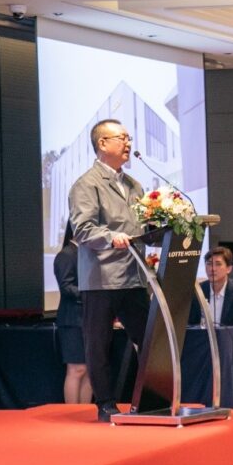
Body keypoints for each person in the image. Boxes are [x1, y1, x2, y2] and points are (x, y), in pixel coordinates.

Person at [68, 119, 149, 422]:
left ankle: (152, 398)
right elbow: (83, 229)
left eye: (129, 138)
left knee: (151, 341)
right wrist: (111, 237)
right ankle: (105, 404)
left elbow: (143, 226)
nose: (128, 143)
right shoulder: (86, 184)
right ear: (102, 143)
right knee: (99, 345)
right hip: (101, 278)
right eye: (122, 138)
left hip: (134, 276)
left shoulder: (134, 185)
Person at [188, 246, 233, 408]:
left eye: (218, 264)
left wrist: (223, 344)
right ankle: (193, 404)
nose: (212, 269)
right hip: (204, 343)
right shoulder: (197, 291)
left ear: (229, 268)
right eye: (209, 264)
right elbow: (191, 324)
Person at [54, 222, 90, 404]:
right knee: (77, 369)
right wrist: (92, 295)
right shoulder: (66, 255)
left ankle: (85, 411)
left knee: (90, 370)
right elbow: (66, 287)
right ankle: (72, 411)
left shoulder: (89, 253)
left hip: (90, 318)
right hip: (73, 320)